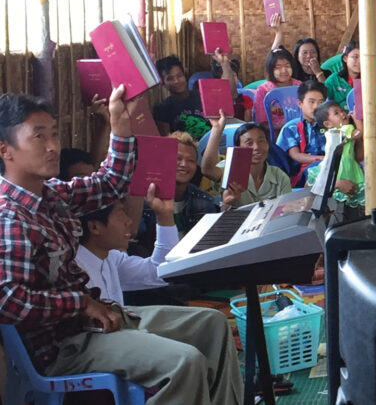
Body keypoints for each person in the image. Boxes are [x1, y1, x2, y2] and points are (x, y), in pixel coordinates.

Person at [0, 87, 242, 405]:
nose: (53, 146)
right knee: (183, 361)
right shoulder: (9, 217)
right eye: (39, 137)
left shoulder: (52, 196)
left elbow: (110, 183)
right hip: (65, 343)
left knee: (212, 325)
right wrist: (81, 303)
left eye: (55, 135)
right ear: (6, 151)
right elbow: (9, 301)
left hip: (95, 320)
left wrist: (120, 125)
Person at [76, 192, 178, 304]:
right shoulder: (73, 270)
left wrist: (164, 215)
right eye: (120, 213)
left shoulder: (111, 257)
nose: (129, 221)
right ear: (94, 227)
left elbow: (160, 271)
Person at [201, 118, 292, 207]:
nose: (256, 147)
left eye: (261, 141)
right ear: (238, 147)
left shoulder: (279, 177)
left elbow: (286, 210)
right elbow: (208, 170)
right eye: (249, 143)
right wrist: (217, 129)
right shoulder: (230, 168)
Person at [307, 111, 364, 222]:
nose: (343, 114)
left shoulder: (335, 131)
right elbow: (359, 133)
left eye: (342, 111)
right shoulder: (343, 129)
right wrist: (357, 118)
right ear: (328, 124)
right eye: (336, 113)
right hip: (344, 168)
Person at [168, 132, 220, 236]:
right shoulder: (146, 201)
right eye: (178, 158)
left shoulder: (204, 200)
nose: (184, 164)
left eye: (191, 160)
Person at [275, 79, 328, 180]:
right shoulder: (291, 128)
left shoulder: (329, 125)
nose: (316, 107)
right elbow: (295, 155)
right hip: (302, 174)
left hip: (328, 168)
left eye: (321, 102)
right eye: (311, 102)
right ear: (300, 103)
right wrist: (323, 160)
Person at [152, 55, 209, 140]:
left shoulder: (203, 97)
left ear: (184, 75)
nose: (176, 81)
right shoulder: (162, 109)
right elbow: (166, 140)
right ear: (163, 83)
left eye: (179, 76)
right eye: (170, 78)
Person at [253, 47, 300, 131]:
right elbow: (262, 123)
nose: (284, 70)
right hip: (275, 136)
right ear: (270, 69)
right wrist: (286, 127)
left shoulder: (300, 86)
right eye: (278, 67)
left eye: (287, 66)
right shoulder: (263, 90)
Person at [325, 41, 362, 109]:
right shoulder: (334, 80)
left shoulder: (369, 81)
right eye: (355, 57)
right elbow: (324, 102)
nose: (360, 61)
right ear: (345, 58)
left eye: (363, 57)